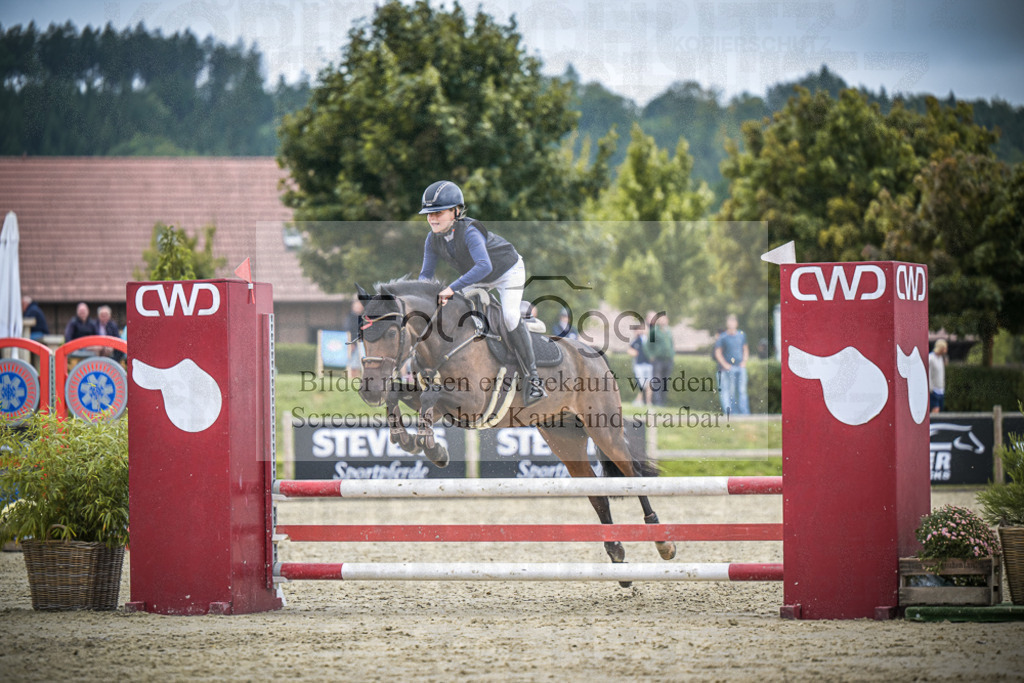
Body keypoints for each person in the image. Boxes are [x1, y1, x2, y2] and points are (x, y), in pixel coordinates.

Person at [417, 180, 546, 404]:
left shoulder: (470, 232)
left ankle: (533, 379)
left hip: (507, 271)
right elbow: (425, 275)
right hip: (479, 277)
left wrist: (450, 288)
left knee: (509, 316)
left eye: (438, 212)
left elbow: (484, 266)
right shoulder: (432, 239)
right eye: (429, 214)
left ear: (456, 212)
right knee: (456, 312)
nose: (432, 218)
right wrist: (417, 298)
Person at [714, 313, 750, 415]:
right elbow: (718, 352)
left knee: (742, 391)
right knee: (730, 393)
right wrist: (725, 365)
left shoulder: (741, 335)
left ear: (736, 323)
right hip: (727, 369)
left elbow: (745, 349)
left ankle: (744, 413)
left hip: (740, 367)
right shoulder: (723, 337)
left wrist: (744, 362)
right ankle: (732, 414)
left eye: (733, 322)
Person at [644, 312, 674, 407]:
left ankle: (663, 402)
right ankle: (657, 402)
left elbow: (671, 344)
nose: (663, 321)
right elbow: (647, 346)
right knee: (657, 381)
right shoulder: (654, 331)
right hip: (658, 360)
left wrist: (672, 354)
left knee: (665, 381)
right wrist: (651, 356)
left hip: (668, 360)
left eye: (665, 319)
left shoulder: (669, 331)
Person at [628, 322, 653, 406]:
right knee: (642, 384)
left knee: (649, 383)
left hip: (649, 364)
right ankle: (639, 400)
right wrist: (634, 353)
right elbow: (630, 349)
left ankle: (647, 401)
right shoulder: (637, 340)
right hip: (639, 364)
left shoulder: (650, 340)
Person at [344, 299, 365, 380]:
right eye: (357, 305)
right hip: (355, 343)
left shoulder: (363, 317)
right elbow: (348, 330)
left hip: (362, 344)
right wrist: (351, 343)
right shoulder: (350, 317)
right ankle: (353, 378)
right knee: (354, 364)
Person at [929, 339, 948, 414]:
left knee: (940, 410)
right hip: (934, 390)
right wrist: (931, 388)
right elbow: (929, 373)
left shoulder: (941, 358)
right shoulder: (931, 358)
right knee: (935, 409)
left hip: (941, 389)